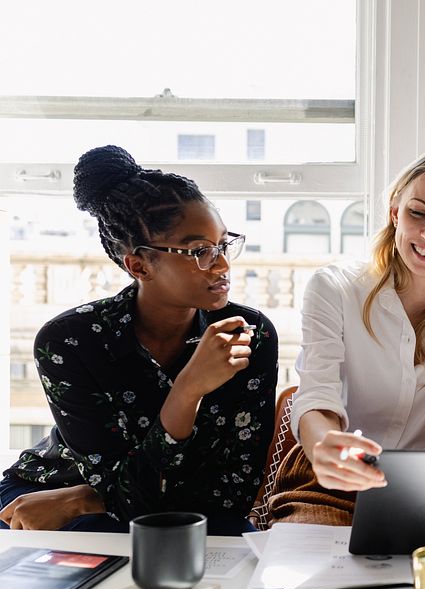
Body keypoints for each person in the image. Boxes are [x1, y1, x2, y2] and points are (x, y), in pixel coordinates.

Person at [0, 145, 278, 536]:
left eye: (223, 244)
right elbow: (129, 505)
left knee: (239, 547)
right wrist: (188, 390)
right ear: (139, 264)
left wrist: (86, 496)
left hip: (104, 503)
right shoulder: (70, 341)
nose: (222, 264)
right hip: (49, 495)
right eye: (199, 251)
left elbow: (234, 493)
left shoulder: (249, 333)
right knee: (107, 544)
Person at [268, 148, 425, 557]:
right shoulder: (335, 288)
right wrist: (325, 446)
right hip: (327, 476)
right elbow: (317, 396)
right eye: (418, 213)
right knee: (308, 576)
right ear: (395, 212)